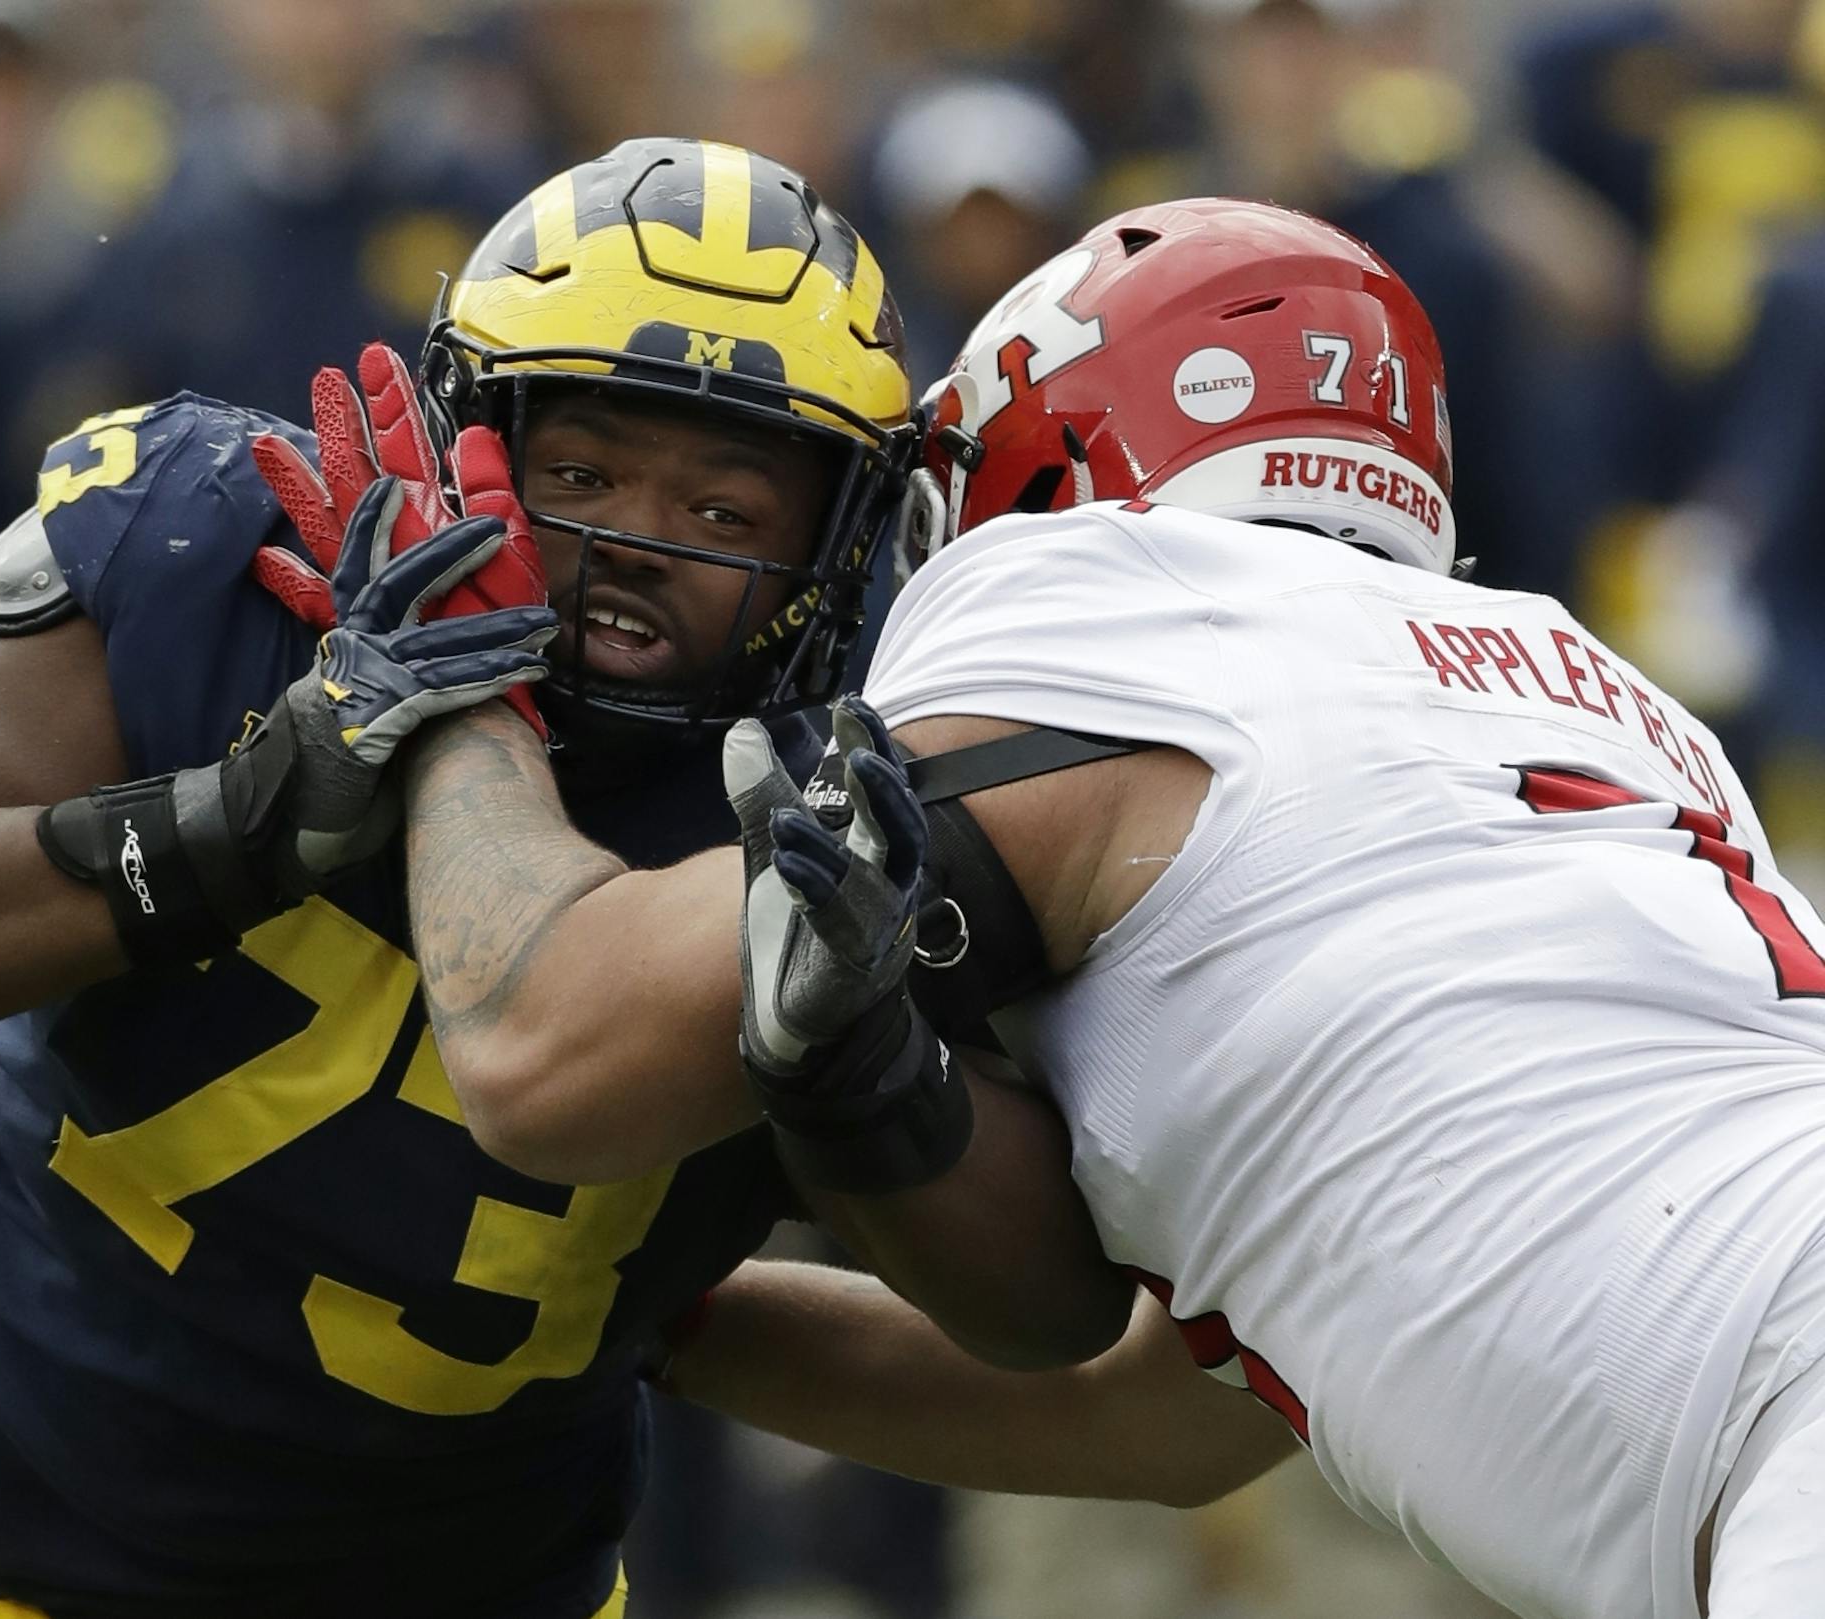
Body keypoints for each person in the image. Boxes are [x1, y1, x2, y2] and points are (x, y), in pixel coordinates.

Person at [395, 197, 1825, 1619]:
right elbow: (1155, 1419)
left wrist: (455, 683)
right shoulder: (1598, 699)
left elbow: (541, 1045)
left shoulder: (1123, 606)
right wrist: (651, 1312)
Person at [0, 138, 933, 1619]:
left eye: (724, 515)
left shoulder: (855, 788)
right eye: (580, 474)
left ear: (844, 541)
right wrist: (231, 824)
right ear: (460, 442)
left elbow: (1054, 1324)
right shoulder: (243, 569)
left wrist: (860, 1074)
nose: (630, 547)